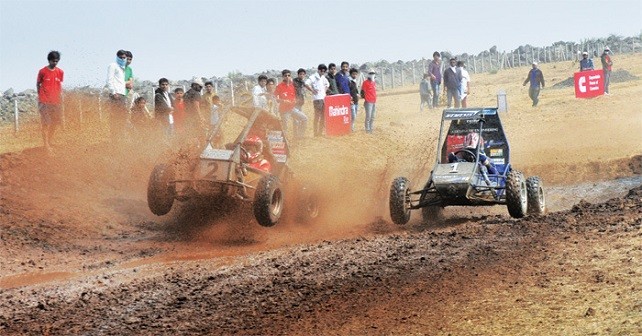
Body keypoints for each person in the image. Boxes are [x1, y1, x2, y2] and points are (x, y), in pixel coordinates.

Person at [36, 50, 64, 155]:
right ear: (49, 60)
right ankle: (46, 145)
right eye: (53, 61)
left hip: (56, 101)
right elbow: (38, 84)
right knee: (46, 123)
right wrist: (41, 96)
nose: (55, 63)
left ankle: (50, 141)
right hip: (44, 101)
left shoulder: (60, 72)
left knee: (55, 122)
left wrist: (59, 98)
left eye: (57, 61)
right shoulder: (42, 71)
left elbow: (59, 85)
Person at [274, 69, 308, 139]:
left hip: (292, 108)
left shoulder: (292, 86)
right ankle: (285, 143)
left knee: (304, 119)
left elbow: (294, 97)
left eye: (289, 75)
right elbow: (275, 98)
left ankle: (300, 137)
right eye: (285, 75)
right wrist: (283, 101)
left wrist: (295, 100)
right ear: (282, 77)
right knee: (285, 128)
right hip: (284, 110)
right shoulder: (279, 86)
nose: (287, 77)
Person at [106, 49, 129, 142]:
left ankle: (120, 138)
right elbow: (109, 80)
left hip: (122, 94)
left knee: (122, 118)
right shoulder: (113, 66)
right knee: (115, 117)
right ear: (117, 57)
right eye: (121, 57)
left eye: (124, 58)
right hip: (116, 95)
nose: (123, 59)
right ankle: (114, 139)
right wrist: (113, 92)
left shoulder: (122, 68)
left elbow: (120, 82)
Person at [306, 64, 330, 137]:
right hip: (317, 99)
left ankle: (320, 132)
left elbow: (327, 84)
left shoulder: (323, 77)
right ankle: (315, 133)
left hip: (323, 98)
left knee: (323, 116)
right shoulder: (313, 77)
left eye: (324, 71)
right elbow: (306, 84)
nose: (323, 72)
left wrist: (324, 91)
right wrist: (312, 90)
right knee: (317, 116)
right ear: (319, 70)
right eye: (322, 70)